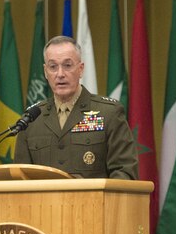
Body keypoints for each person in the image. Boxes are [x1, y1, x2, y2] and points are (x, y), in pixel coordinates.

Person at [13, 36, 138, 179]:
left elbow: (124, 172)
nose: (60, 74)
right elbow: (20, 178)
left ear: (81, 69)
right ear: (46, 71)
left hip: (95, 201)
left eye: (67, 65)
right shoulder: (32, 119)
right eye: (53, 67)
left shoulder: (109, 113)